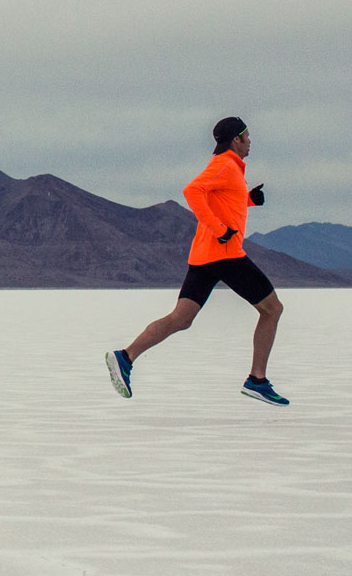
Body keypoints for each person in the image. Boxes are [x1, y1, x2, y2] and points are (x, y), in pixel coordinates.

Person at [105, 117, 288, 405]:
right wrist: (221, 230)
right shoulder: (226, 165)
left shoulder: (231, 169)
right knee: (272, 308)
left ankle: (125, 357)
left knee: (181, 318)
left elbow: (221, 199)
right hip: (225, 254)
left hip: (205, 255)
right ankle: (257, 380)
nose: (251, 141)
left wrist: (249, 199)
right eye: (247, 136)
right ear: (235, 140)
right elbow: (192, 191)